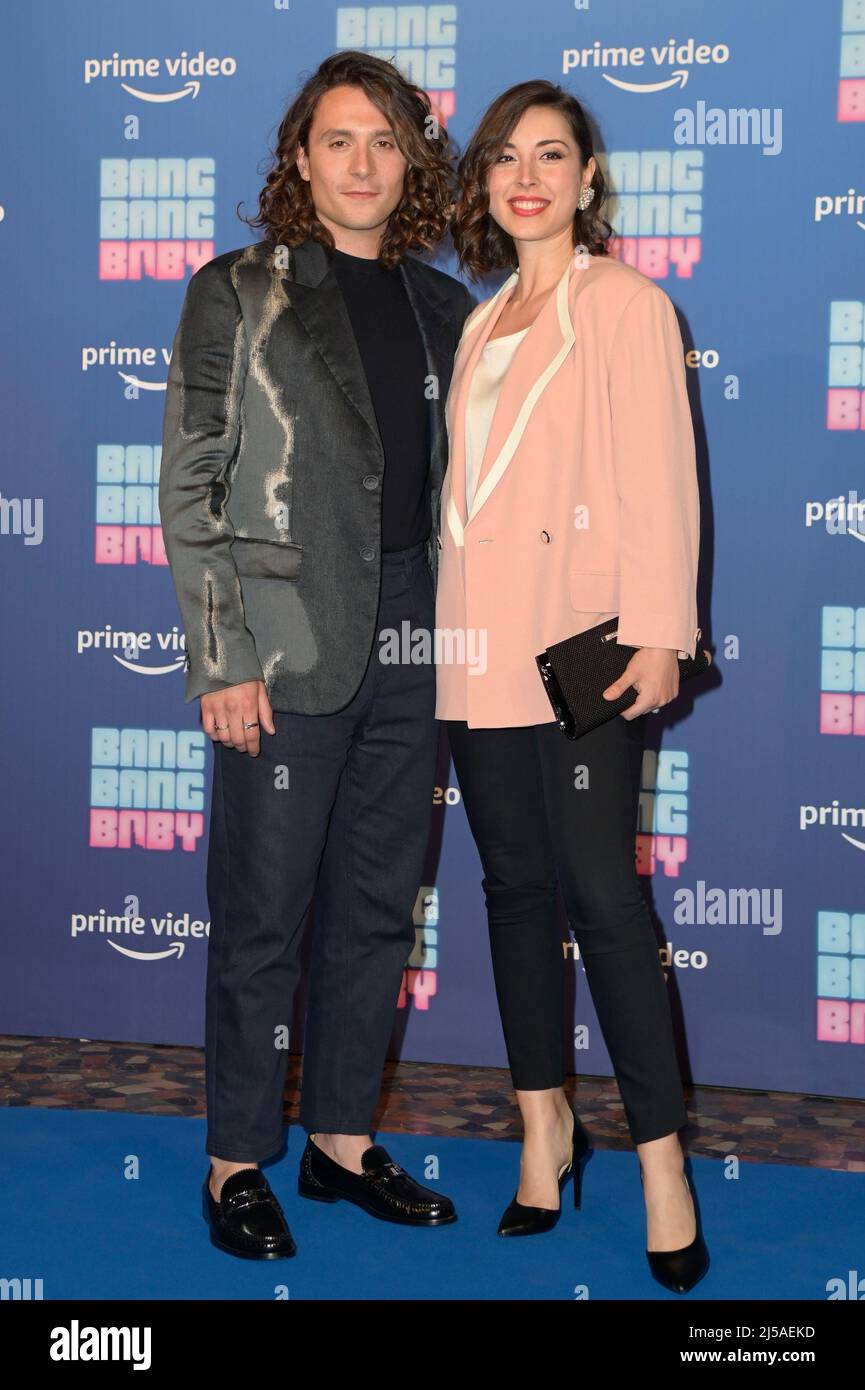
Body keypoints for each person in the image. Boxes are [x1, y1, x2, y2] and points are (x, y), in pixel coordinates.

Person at [159, 50, 474, 1259]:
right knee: (260, 917)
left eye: (385, 141)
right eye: (339, 139)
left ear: (412, 163)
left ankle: (343, 1141)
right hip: (280, 650)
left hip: (414, 638)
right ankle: (237, 1157)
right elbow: (192, 483)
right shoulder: (236, 291)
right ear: (301, 157)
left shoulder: (444, 308)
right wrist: (220, 655)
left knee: (378, 910)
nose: (362, 162)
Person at [434, 79, 709, 1293]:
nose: (526, 174)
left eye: (553, 154)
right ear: (485, 181)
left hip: (585, 647)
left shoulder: (626, 303)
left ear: (589, 177)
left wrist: (661, 634)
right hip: (478, 645)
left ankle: (661, 1162)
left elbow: (660, 476)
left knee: (602, 894)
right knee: (509, 890)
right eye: (506, 156)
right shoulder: (479, 320)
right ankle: (544, 1126)